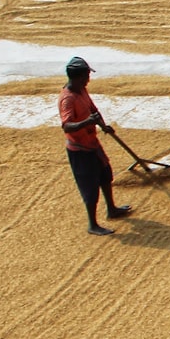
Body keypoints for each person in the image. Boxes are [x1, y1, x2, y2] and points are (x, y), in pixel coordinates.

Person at [58, 56, 131, 235]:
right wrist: (86, 122)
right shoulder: (67, 99)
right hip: (80, 149)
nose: (88, 79)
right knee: (90, 186)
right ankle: (93, 225)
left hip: (92, 143)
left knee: (105, 175)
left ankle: (112, 209)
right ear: (78, 77)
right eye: (86, 76)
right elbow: (66, 125)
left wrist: (103, 126)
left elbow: (93, 110)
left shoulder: (82, 90)